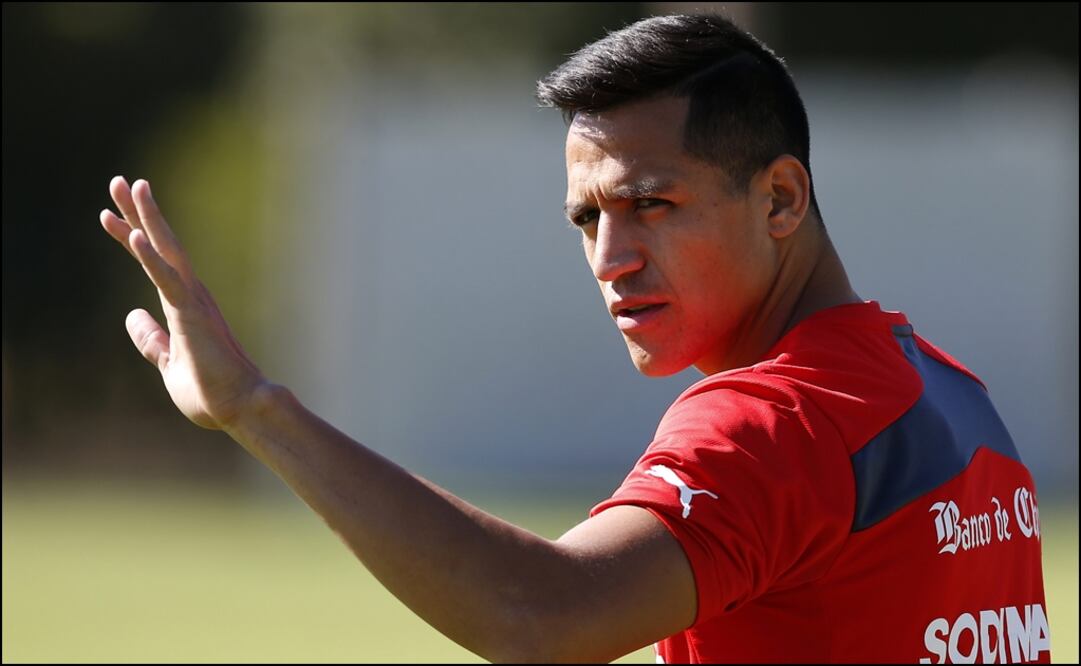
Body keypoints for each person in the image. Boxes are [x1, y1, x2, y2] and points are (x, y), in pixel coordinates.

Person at [99, 13, 1050, 664]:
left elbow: (542, 615)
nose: (611, 256)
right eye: (585, 220)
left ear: (780, 198)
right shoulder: (949, 391)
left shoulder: (771, 422)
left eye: (650, 204)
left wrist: (261, 413)